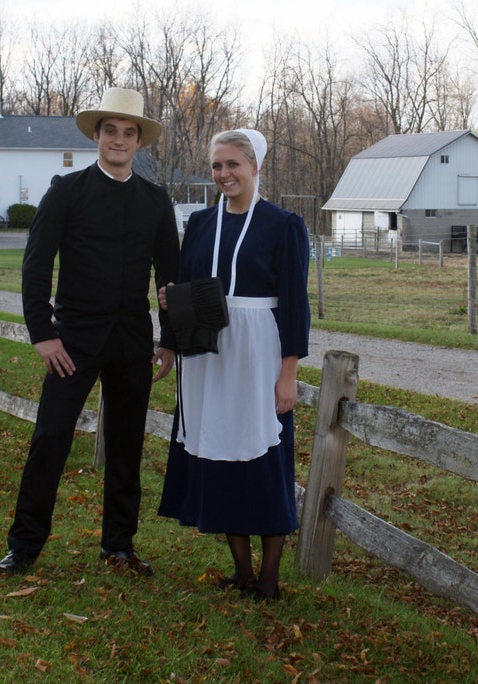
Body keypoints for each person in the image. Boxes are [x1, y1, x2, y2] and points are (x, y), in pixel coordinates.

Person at [0, 87, 180, 577]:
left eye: (129, 132)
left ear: (139, 142)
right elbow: (35, 267)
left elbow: (170, 277)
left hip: (131, 342)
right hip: (71, 342)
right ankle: (24, 546)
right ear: (97, 136)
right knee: (51, 438)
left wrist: (170, 340)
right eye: (111, 131)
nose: (119, 139)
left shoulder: (156, 201)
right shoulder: (67, 191)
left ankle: (118, 546)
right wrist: (42, 332)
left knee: (125, 446)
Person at [157, 129, 310, 600]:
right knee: (220, 455)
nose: (224, 174)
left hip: (258, 352)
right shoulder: (201, 224)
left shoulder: (283, 225)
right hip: (208, 355)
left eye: (233, 165)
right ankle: (241, 571)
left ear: (255, 167)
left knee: (264, 460)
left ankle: (269, 579)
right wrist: (171, 301)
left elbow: (294, 305)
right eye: (218, 165)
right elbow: (184, 286)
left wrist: (289, 373)